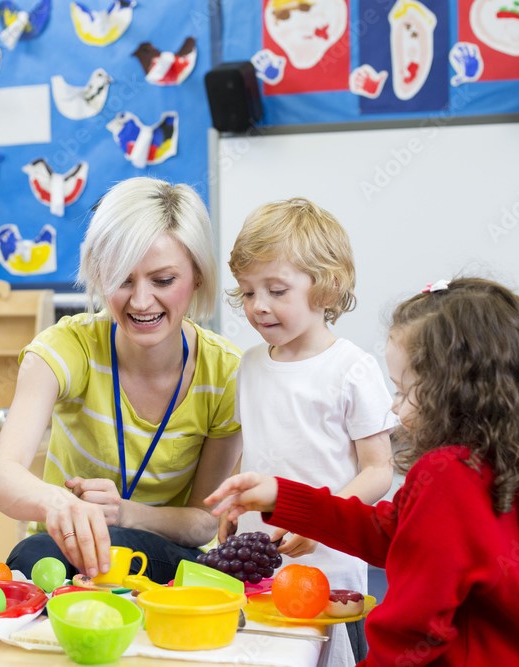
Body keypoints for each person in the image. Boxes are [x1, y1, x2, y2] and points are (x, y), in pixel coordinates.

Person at [206, 277, 519, 666]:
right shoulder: (488, 461)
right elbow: (392, 535)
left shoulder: (450, 475)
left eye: (403, 391)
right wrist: (284, 498)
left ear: (454, 392)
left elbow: (413, 626)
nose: (393, 407)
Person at [0, 176, 242, 584]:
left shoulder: (226, 374)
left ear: (197, 277)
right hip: (64, 552)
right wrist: (60, 505)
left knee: (126, 549)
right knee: (36, 552)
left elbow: (203, 524)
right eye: (123, 279)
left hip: (167, 561)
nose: (140, 301)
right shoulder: (68, 348)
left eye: (163, 280)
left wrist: (124, 513)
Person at [226, 198, 396, 665]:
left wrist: (318, 521)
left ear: (327, 288)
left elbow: (379, 470)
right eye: (247, 292)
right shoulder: (250, 364)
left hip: (331, 568)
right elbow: (256, 451)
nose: (258, 307)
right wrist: (235, 504)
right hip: (261, 563)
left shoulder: (352, 369)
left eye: (276, 290)